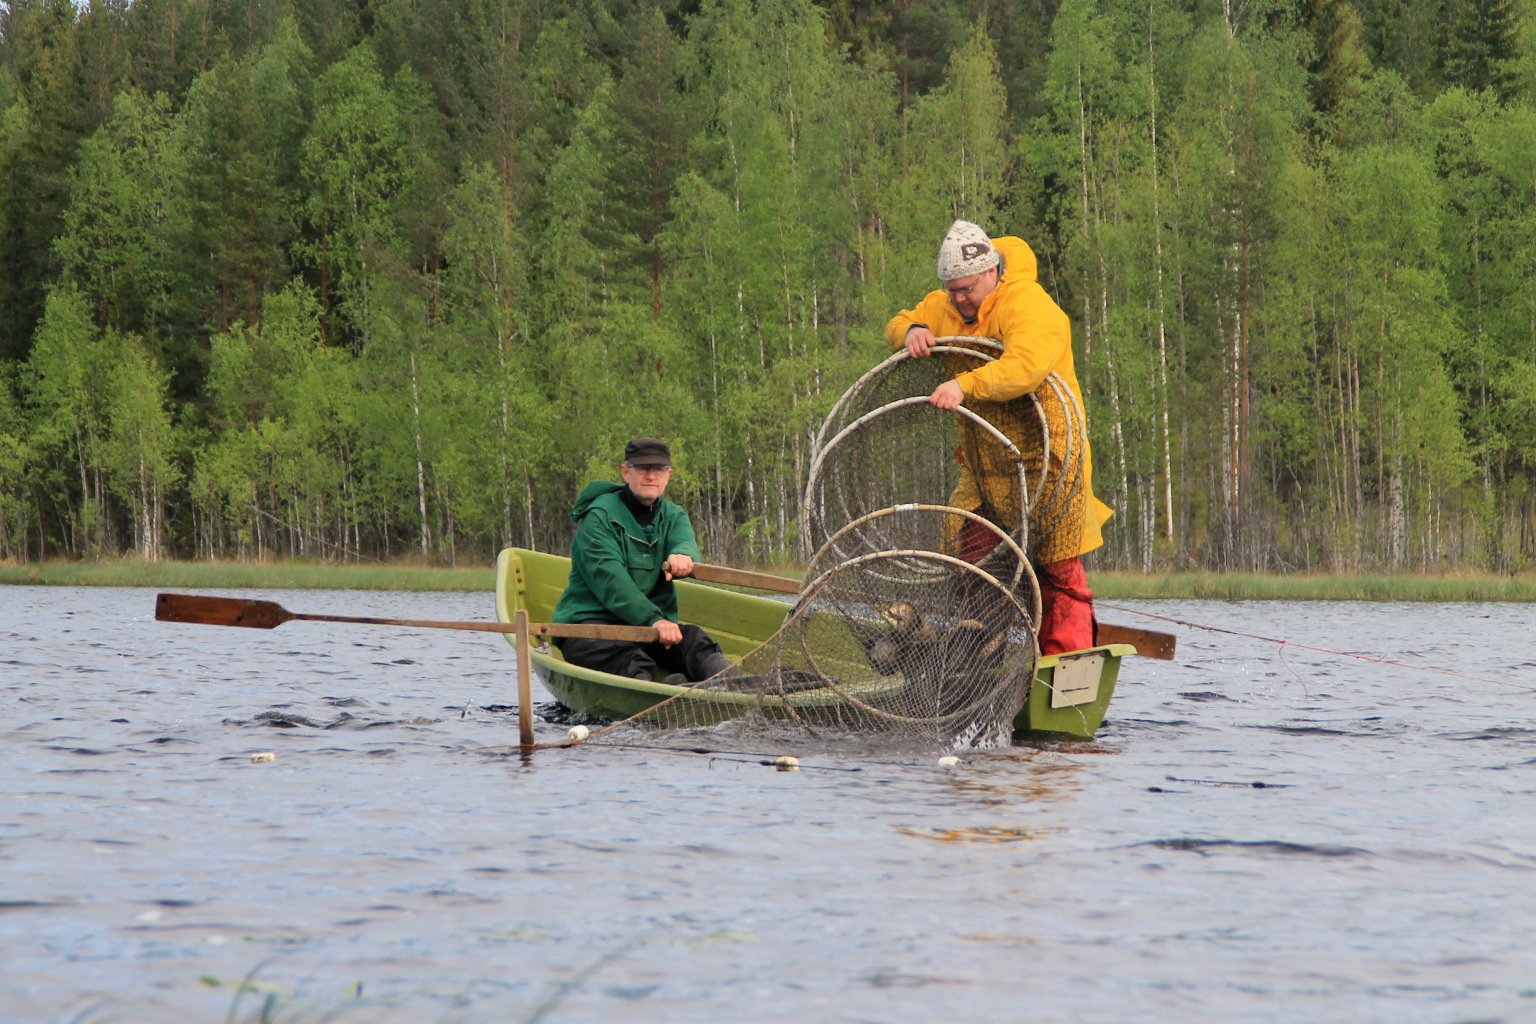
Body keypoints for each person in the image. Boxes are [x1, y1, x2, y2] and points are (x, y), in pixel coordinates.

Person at [884, 219, 1114, 654]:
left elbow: (1026, 366)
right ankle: (977, 651)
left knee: (1057, 571)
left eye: (966, 288)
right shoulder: (944, 306)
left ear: (991, 272)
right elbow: (901, 321)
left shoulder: (1027, 303)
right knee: (973, 551)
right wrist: (910, 333)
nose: (958, 298)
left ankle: (1065, 663)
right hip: (985, 467)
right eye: (951, 290)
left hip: (1048, 462)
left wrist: (964, 385)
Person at [551, 438, 733, 683]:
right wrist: (654, 619)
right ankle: (660, 698)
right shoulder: (598, 518)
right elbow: (612, 581)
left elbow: (684, 542)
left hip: (650, 629)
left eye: (658, 469)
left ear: (668, 475)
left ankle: (732, 687)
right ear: (626, 472)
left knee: (695, 642)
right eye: (643, 469)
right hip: (591, 629)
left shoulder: (673, 516)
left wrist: (683, 555)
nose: (651, 476)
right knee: (633, 662)